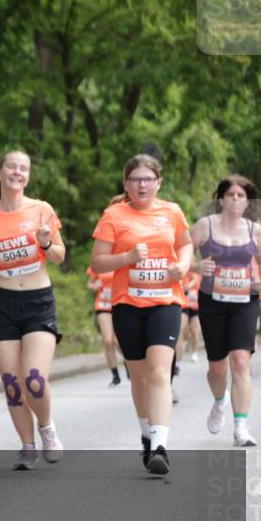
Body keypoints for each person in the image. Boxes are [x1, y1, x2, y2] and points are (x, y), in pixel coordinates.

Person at [90, 154, 192, 475]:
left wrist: (183, 266)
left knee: (160, 373)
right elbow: (98, 262)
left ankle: (160, 446)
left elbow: (186, 244)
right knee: (139, 377)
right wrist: (128, 257)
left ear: (158, 183)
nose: (142, 185)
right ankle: (147, 437)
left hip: (166, 302)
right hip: (127, 305)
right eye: (136, 179)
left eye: (148, 179)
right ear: (126, 184)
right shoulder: (113, 215)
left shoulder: (172, 212)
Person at [0, 150, 66, 470]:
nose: (17, 172)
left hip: (38, 302)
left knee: (33, 379)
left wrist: (47, 242)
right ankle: (27, 446)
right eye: (12, 166)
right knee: (12, 383)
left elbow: (60, 256)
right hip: (3, 304)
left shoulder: (41, 210)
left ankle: (47, 427)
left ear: (28, 176)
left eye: (24, 168)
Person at [189, 174, 261, 447]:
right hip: (212, 301)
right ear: (221, 199)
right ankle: (219, 402)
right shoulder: (204, 226)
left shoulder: (255, 230)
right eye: (230, 194)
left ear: (248, 201)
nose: (235, 199)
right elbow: (182, 259)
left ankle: (241, 428)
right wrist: (197, 267)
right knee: (218, 369)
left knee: (241, 362)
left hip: (245, 301)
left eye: (241, 195)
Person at [87, 266, 122, 386]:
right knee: (108, 341)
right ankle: (115, 375)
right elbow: (90, 284)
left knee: (120, 341)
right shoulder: (99, 261)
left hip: (119, 305)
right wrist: (94, 286)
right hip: (103, 305)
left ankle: (130, 363)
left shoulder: (122, 257)